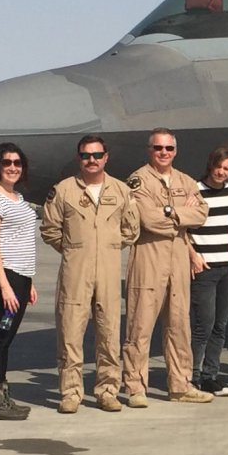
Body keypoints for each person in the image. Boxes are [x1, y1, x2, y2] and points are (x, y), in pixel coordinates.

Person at [40, 134, 140, 413]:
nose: (92, 160)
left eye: (97, 155)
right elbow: (50, 229)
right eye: (86, 155)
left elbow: (131, 230)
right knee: (70, 333)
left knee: (109, 334)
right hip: (75, 273)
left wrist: (105, 248)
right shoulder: (64, 191)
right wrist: (75, 250)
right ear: (79, 158)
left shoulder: (121, 191)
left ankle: (108, 390)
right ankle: (70, 393)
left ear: (106, 157)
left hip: (108, 272)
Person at [123, 128, 213, 406]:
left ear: (175, 151)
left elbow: (201, 214)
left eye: (169, 149)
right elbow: (148, 219)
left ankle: (180, 385)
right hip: (149, 258)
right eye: (158, 148)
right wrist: (178, 214)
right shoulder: (138, 180)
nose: (164, 153)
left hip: (178, 259)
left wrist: (170, 211)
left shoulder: (185, 180)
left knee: (179, 324)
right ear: (149, 150)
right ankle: (136, 387)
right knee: (140, 325)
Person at [0, 142, 37, 420]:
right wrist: (5, 286)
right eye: (6, 162)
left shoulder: (18, 198)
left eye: (17, 162)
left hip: (20, 277)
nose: (12, 167)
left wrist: (29, 282)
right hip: (5, 277)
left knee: (7, 338)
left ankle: (3, 394)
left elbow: (21, 240)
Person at [188, 146, 228, 397]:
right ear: (211, 165)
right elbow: (184, 229)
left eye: (227, 168)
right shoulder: (195, 190)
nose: (222, 172)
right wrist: (193, 255)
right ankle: (192, 376)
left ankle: (211, 375)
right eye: (218, 167)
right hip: (206, 267)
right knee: (203, 325)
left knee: (220, 325)